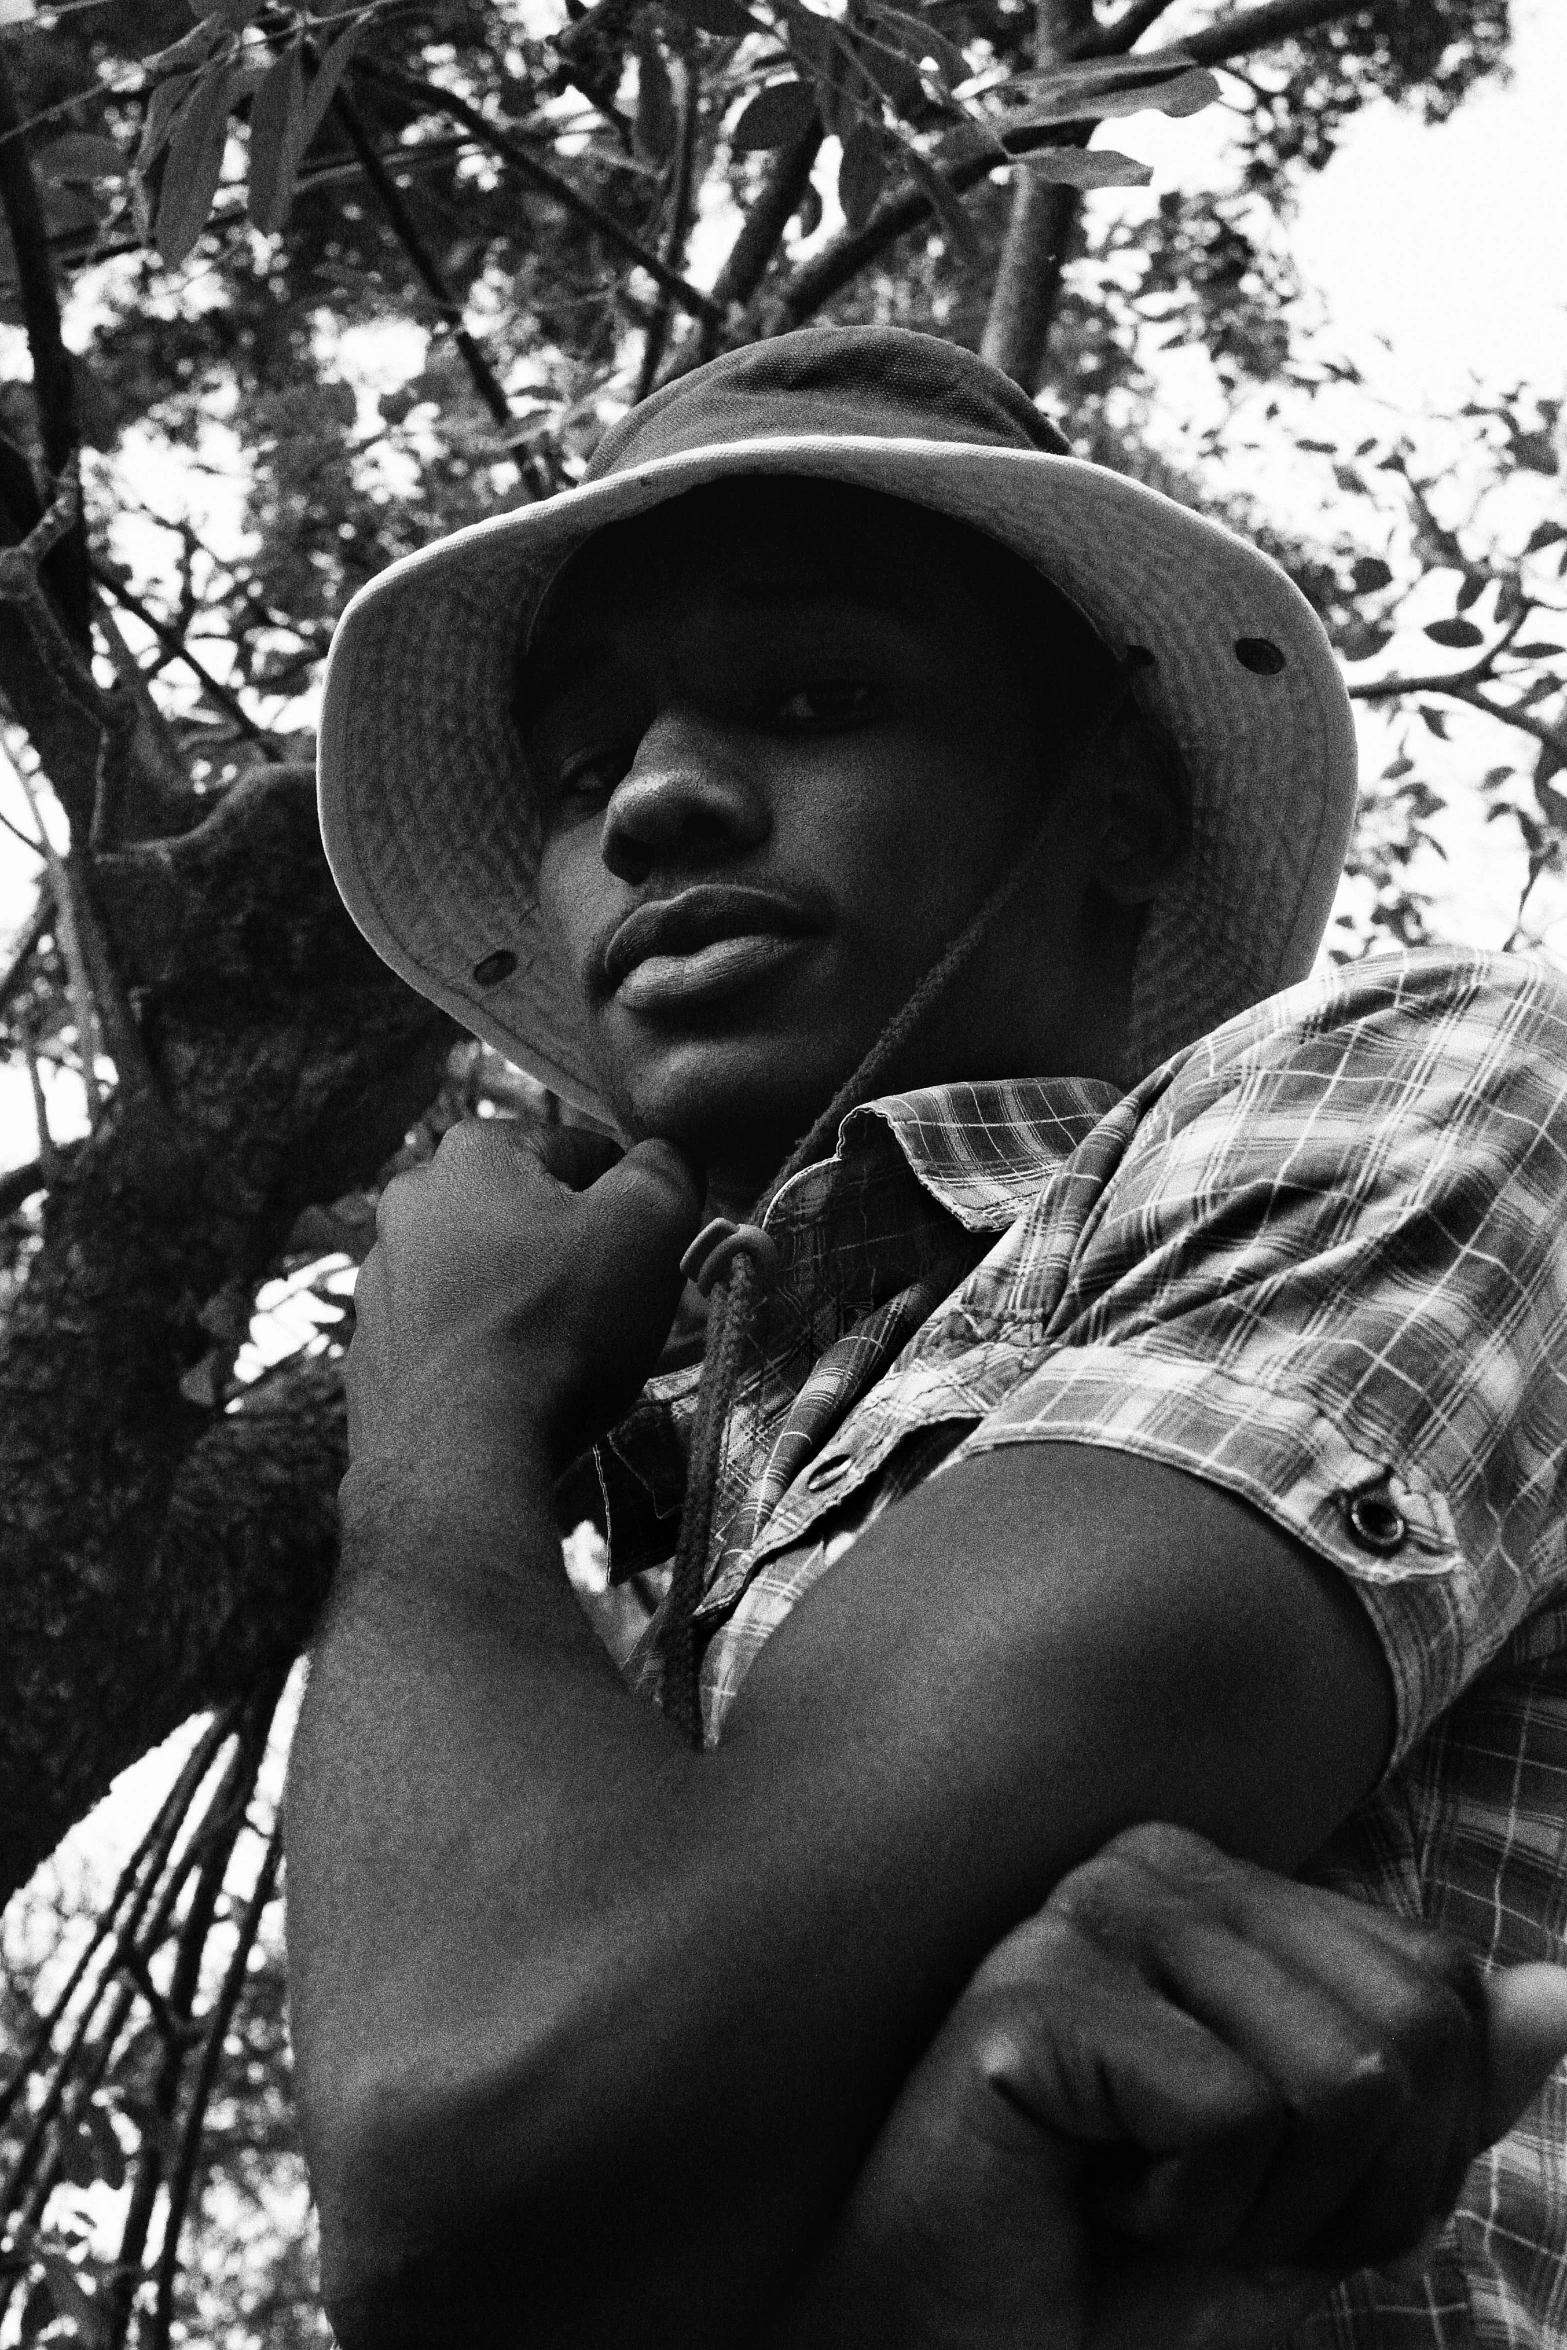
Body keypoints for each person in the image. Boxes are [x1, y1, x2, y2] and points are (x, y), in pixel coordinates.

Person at [291, 327, 1567, 2347]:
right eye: (578, 759)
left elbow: (465, 2160)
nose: (660, 803)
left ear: (1126, 807)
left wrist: (436, 1416)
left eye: (815, 694)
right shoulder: (651, 1601)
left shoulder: (1424, 1084)